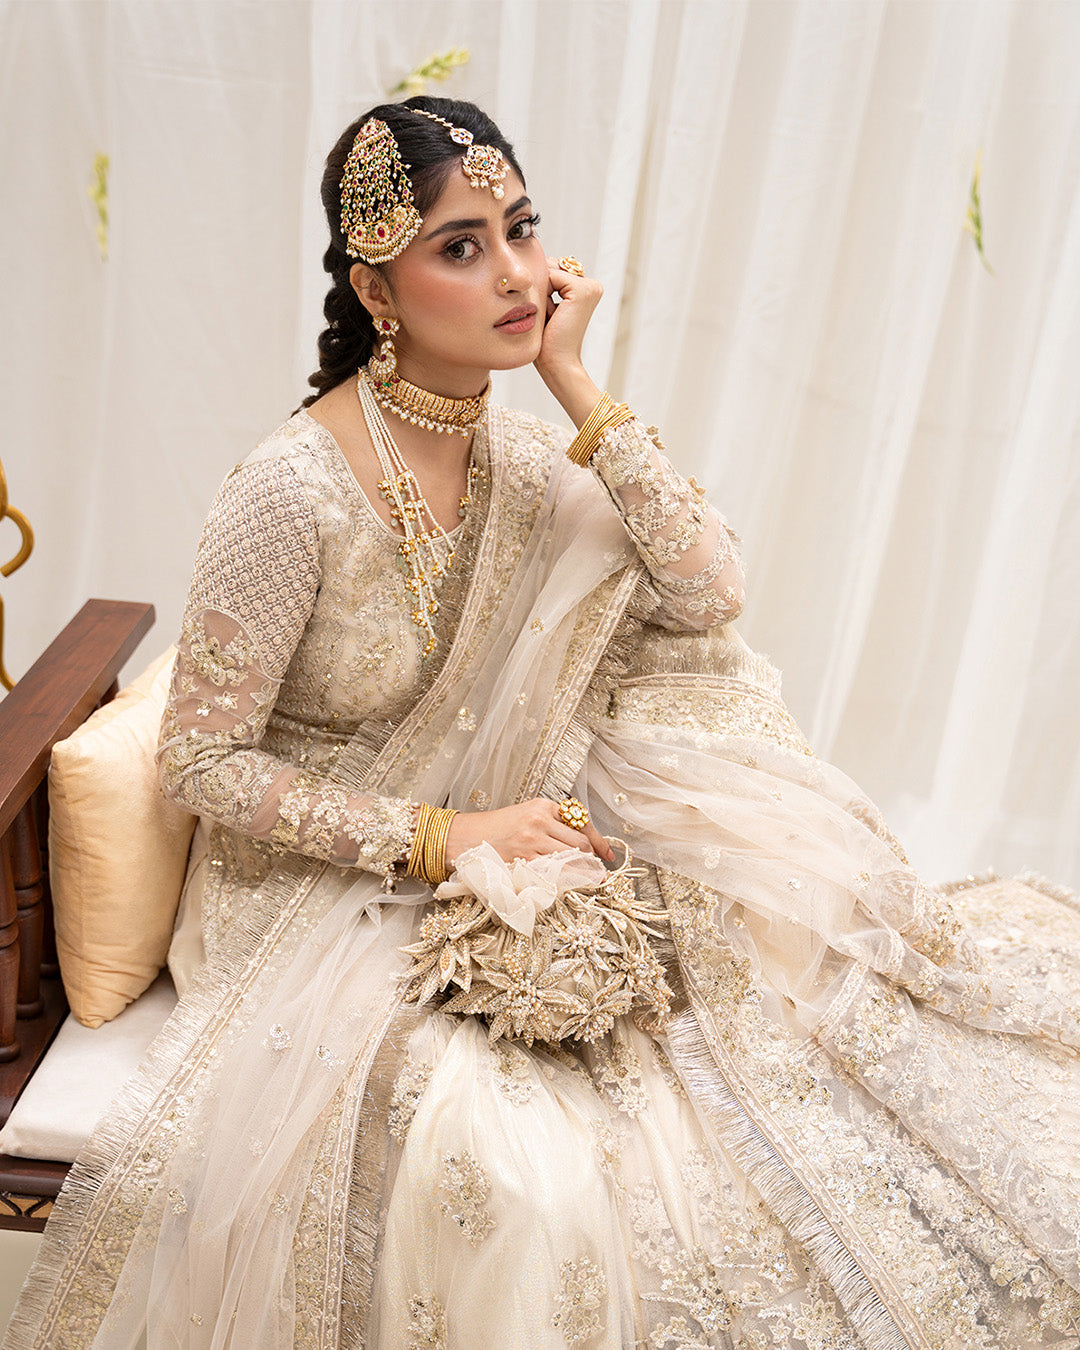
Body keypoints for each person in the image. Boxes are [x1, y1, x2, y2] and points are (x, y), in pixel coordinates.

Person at [7, 95, 1080, 1350]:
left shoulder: (523, 459)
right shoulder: (286, 491)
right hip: (310, 897)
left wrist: (576, 383)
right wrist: (444, 839)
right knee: (519, 1164)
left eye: (521, 229)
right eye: (461, 247)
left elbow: (709, 589)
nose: (516, 274)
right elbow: (201, 763)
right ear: (376, 290)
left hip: (506, 835)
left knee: (754, 1028)